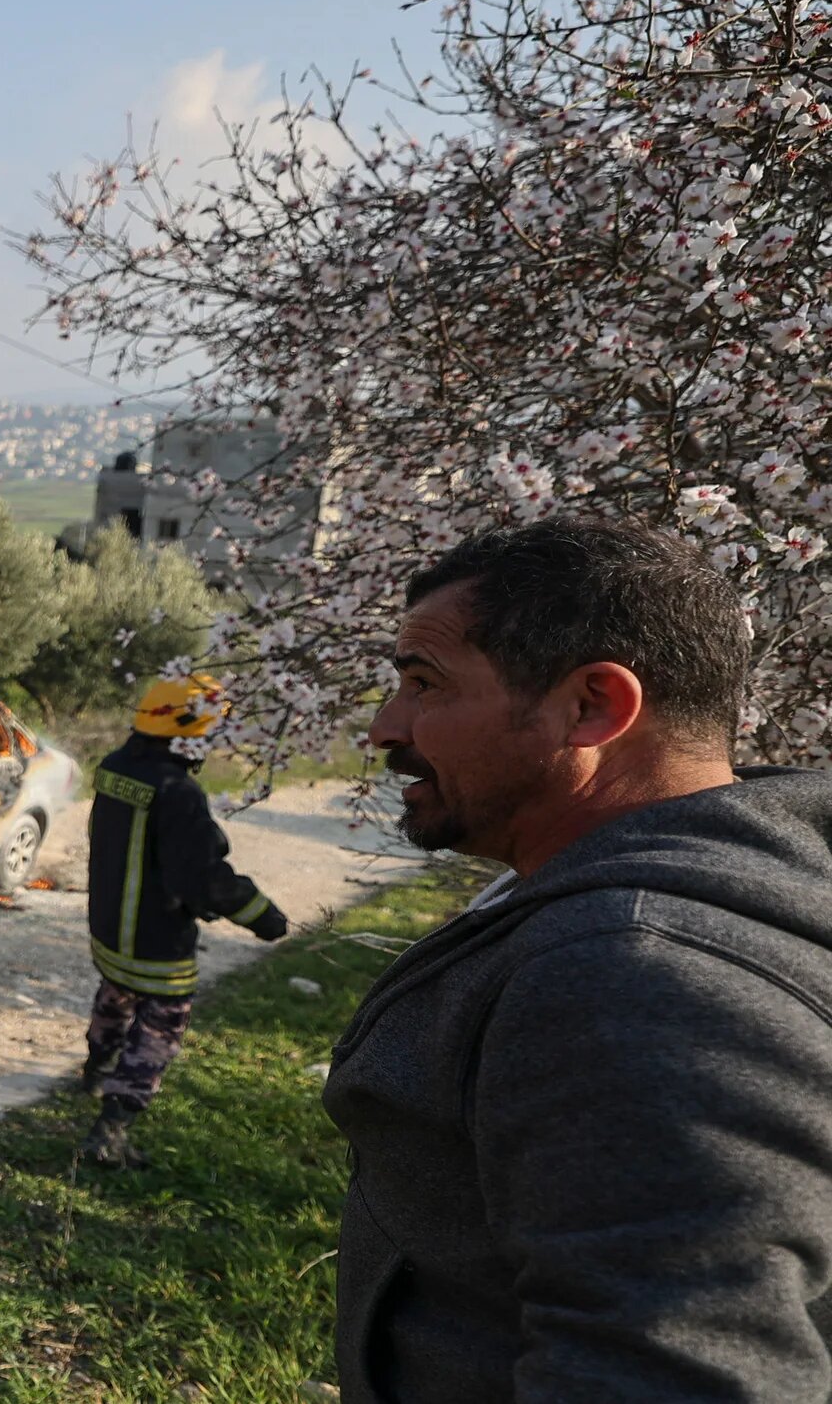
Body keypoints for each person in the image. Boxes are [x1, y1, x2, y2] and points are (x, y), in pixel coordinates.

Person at [327, 516, 832, 1401]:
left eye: (424, 683)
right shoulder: (654, 895)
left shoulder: (637, 977)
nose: (384, 725)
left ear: (594, 705)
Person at [78, 674, 285, 1166]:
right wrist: (264, 916)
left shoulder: (113, 768)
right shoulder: (178, 792)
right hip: (159, 944)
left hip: (109, 930)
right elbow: (203, 879)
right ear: (187, 733)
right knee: (157, 1031)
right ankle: (111, 1132)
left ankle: (94, 1067)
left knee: (114, 996)